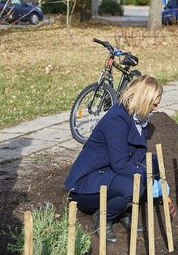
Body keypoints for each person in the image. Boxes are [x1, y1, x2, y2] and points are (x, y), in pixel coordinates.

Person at [65, 75, 163, 243]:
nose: (155, 109)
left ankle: (122, 211)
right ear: (143, 100)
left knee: (153, 163)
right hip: (88, 181)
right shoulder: (117, 119)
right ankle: (104, 217)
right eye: (154, 104)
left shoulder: (137, 118)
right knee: (133, 185)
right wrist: (147, 176)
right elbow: (121, 164)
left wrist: (154, 174)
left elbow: (135, 157)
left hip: (107, 170)